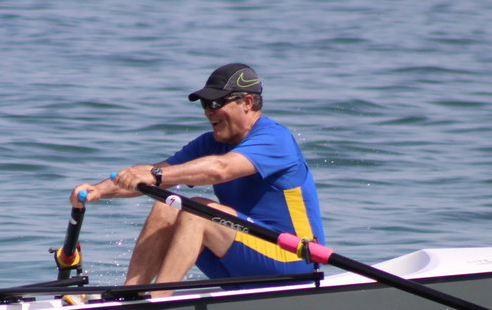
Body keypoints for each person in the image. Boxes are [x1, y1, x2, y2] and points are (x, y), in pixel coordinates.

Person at [70, 63, 325, 294]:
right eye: (205, 105)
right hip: (244, 260)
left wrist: (155, 175)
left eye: (216, 103)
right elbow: (153, 175)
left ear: (247, 102)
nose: (208, 112)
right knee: (166, 205)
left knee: (198, 210)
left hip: (295, 261)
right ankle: (132, 296)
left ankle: (157, 301)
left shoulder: (274, 139)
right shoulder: (210, 143)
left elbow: (220, 169)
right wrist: (98, 190)